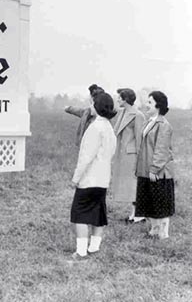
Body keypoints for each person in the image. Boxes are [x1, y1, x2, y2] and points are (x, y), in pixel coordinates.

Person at [70, 92, 117, 260]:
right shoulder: (109, 128)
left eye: (92, 104)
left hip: (89, 179)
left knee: (80, 214)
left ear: (97, 107)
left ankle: (81, 251)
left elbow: (85, 157)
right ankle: (94, 247)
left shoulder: (94, 128)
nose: (90, 106)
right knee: (98, 213)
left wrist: (76, 178)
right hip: (103, 179)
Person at [135, 91, 175, 239]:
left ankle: (163, 232)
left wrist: (154, 169)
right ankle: (154, 228)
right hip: (146, 169)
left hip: (159, 171)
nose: (146, 104)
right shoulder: (149, 121)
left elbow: (161, 149)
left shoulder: (163, 124)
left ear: (158, 106)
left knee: (160, 202)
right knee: (150, 200)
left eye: (150, 102)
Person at [110, 88, 145, 223]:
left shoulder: (138, 115)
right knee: (130, 187)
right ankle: (134, 214)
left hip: (132, 156)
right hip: (123, 155)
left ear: (125, 99)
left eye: (119, 98)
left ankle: (139, 215)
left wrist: (139, 161)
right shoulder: (122, 112)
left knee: (134, 186)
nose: (117, 100)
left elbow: (139, 139)